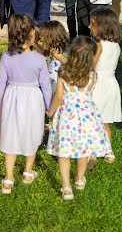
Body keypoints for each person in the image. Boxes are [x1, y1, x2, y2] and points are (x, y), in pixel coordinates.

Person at [0, 15, 52, 193]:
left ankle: (8, 179)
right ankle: (27, 172)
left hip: (11, 98)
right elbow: (46, 87)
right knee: (31, 132)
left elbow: (0, 85)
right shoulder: (39, 59)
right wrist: (49, 108)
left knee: (11, 134)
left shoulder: (6, 57)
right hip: (33, 100)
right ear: (30, 34)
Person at [46, 36, 112, 200]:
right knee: (83, 150)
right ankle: (80, 179)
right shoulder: (93, 75)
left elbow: (59, 97)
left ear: (72, 53)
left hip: (68, 116)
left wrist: (50, 112)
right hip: (86, 116)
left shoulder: (63, 72)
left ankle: (67, 188)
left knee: (64, 154)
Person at [89, 7, 122, 162]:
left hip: (98, 86)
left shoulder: (99, 45)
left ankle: (94, 151)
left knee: (93, 120)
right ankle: (109, 152)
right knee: (105, 121)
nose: (89, 26)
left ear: (101, 26)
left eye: (92, 23)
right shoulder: (116, 45)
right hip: (112, 84)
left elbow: (92, 66)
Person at [36, 20, 69, 93]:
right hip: (51, 83)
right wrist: (35, 43)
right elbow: (44, 53)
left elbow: (68, 63)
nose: (40, 37)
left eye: (42, 35)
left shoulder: (58, 52)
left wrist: (60, 57)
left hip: (58, 85)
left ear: (50, 37)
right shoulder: (52, 50)